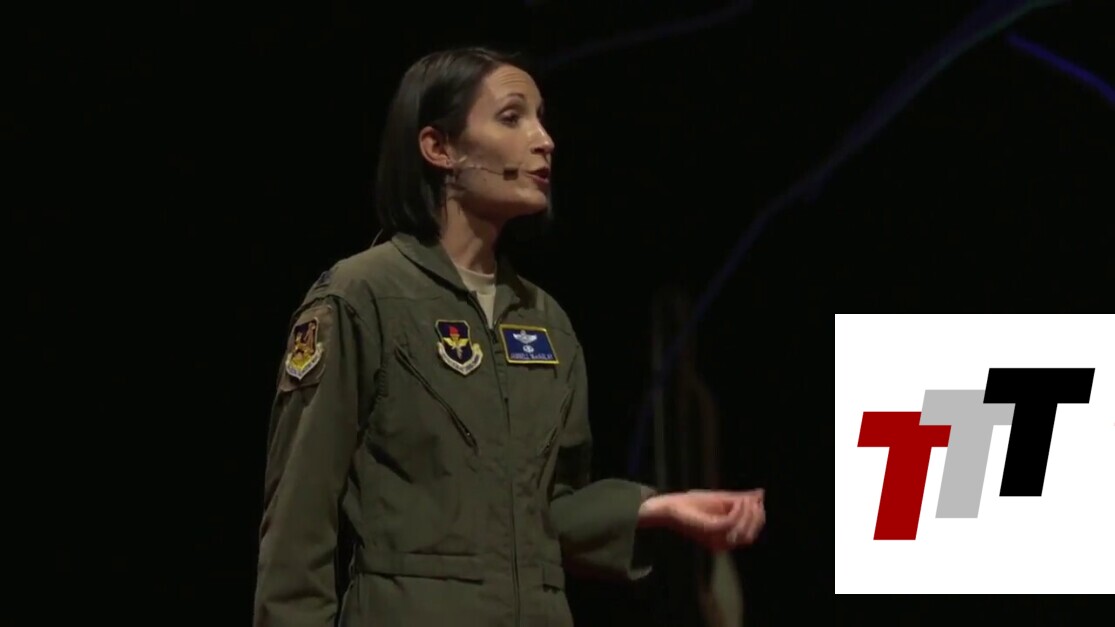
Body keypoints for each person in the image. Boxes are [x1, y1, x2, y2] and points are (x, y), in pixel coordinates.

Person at [252, 46, 766, 627]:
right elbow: (298, 525)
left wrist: (657, 507)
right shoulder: (363, 297)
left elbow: (545, 511)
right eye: (512, 117)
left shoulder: (544, 320)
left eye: (541, 119)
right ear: (439, 148)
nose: (544, 140)